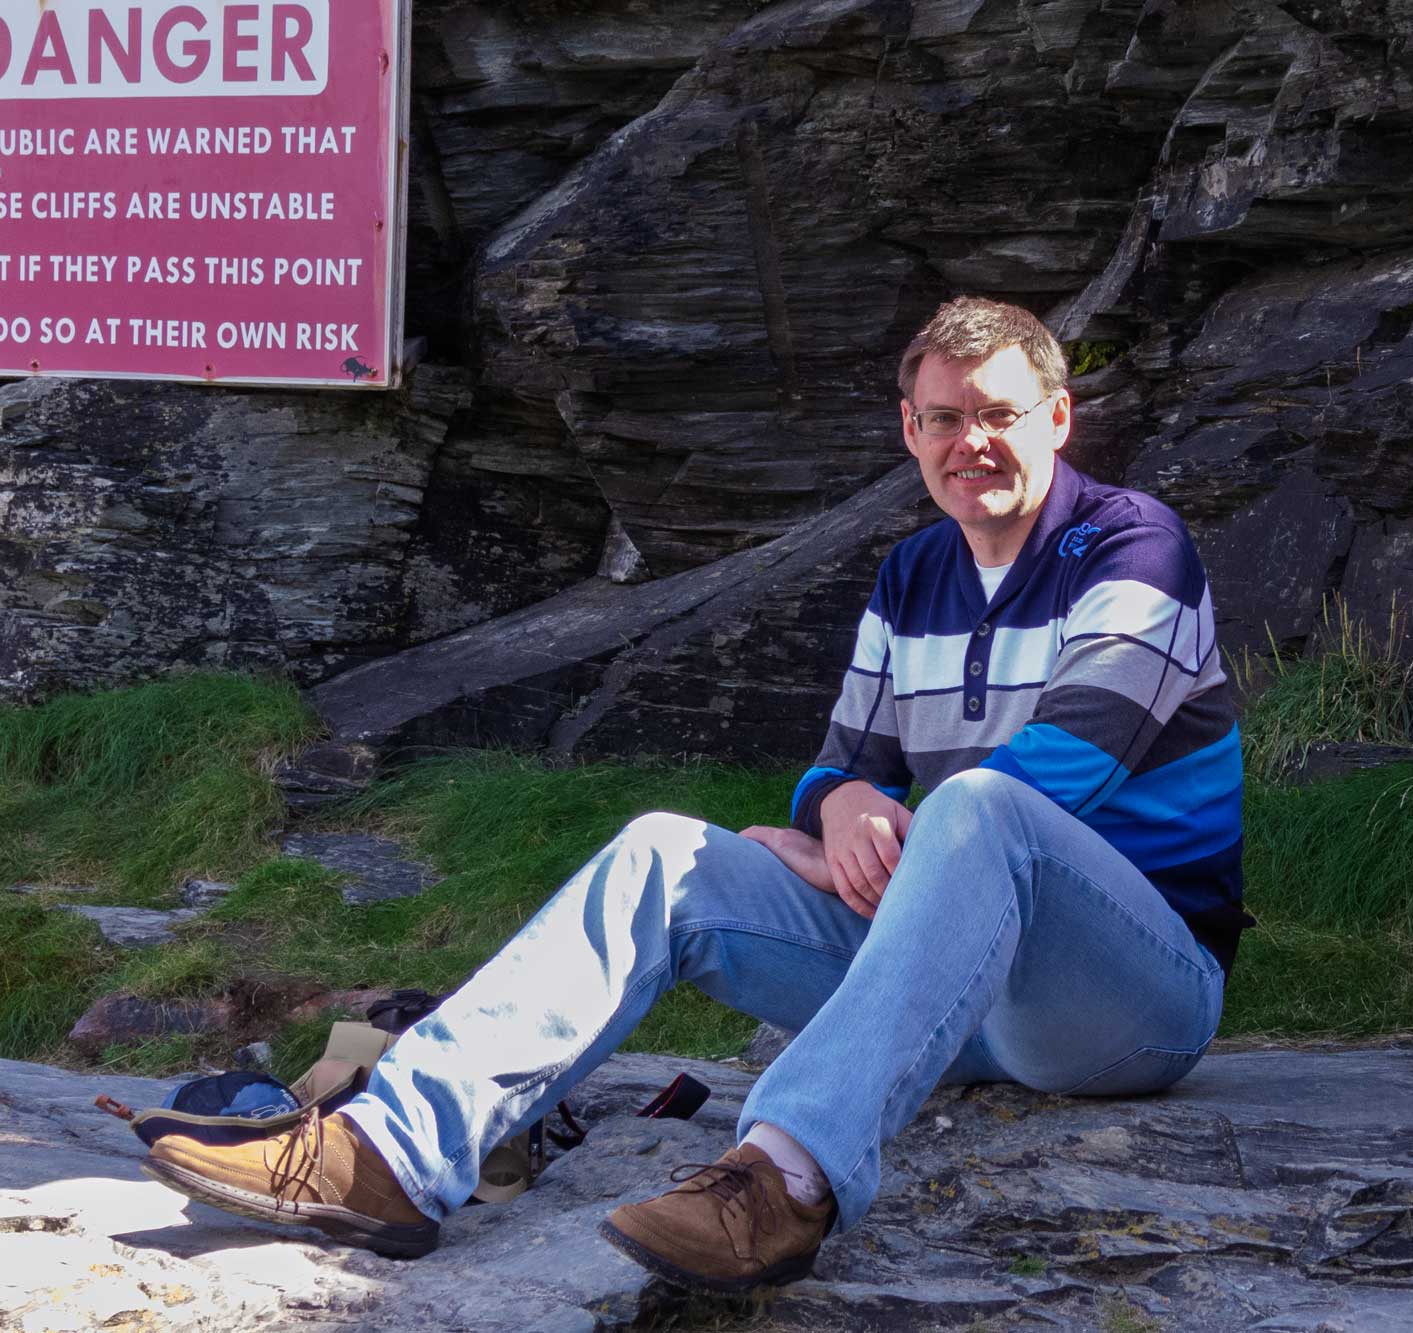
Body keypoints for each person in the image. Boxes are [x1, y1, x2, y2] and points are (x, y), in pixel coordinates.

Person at [142, 296, 1253, 1293]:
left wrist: (860, 842)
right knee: (662, 849)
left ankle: (780, 1183)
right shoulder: (914, 572)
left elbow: (1075, 761)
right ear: (909, 433)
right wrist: (838, 811)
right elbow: (837, 761)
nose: (972, 442)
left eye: (1000, 414)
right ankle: (389, 1154)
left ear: (1058, 419)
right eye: (943, 418)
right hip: (952, 986)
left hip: (1128, 1003)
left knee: (978, 805)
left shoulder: (1133, 546)